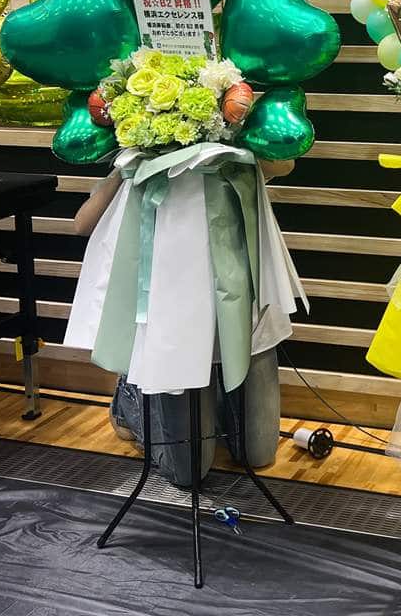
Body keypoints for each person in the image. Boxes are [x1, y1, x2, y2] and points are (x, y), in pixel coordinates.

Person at [73, 158, 294, 487]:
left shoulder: (232, 152)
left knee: (258, 453)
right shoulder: (141, 156)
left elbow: (284, 163)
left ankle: (210, 407)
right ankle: (129, 401)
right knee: (188, 471)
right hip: (176, 324)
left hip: (245, 316)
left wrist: (233, 147)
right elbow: (82, 223)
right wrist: (131, 164)